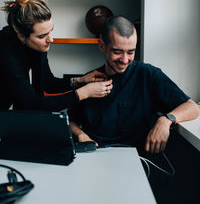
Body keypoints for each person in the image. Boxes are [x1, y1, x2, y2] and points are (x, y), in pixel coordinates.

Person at [69, 15, 199, 153]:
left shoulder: (148, 75)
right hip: (95, 154)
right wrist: (81, 135)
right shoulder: (88, 80)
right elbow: (70, 120)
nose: (125, 60)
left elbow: (192, 108)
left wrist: (166, 120)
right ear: (102, 46)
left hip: (137, 156)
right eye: (117, 52)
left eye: (131, 52)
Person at [0, 0, 113, 111]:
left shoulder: (37, 44)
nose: (50, 39)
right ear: (21, 35)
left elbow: (48, 83)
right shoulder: (6, 53)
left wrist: (80, 80)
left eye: (50, 31)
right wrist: (84, 92)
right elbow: (33, 104)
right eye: (42, 36)